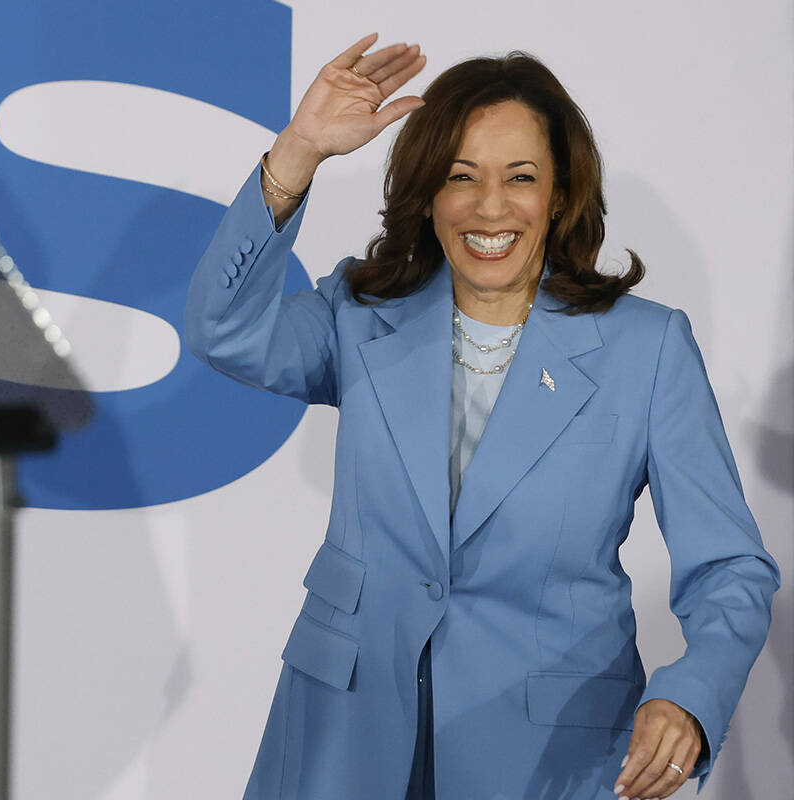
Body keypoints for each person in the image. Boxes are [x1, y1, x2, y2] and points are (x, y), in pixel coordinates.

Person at [183, 34, 780, 800]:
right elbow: (220, 328)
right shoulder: (360, 316)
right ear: (428, 192)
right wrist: (297, 153)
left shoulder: (648, 349)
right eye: (460, 177)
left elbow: (731, 566)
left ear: (560, 195)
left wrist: (689, 696)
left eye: (520, 178)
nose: (489, 207)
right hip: (343, 740)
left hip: (547, 758)